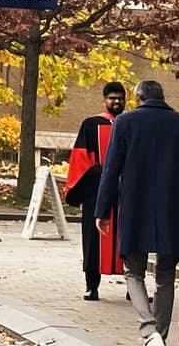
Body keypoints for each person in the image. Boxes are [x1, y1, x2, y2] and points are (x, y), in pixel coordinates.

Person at [95, 80, 179, 346]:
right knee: (166, 276)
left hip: (136, 207)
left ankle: (149, 331)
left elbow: (111, 170)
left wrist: (102, 210)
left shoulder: (125, 123)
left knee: (133, 271)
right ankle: (161, 335)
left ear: (138, 98)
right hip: (172, 208)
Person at [64, 81, 127, 301]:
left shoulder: (131, 123)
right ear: (104, 99)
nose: (116, 101)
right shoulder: (91, 125)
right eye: (112, 98)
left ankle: (133, 287)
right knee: (93, 239)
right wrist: (102, 174)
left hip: (127, 193)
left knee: (129, 237)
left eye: (120, 97)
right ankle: (92, 286)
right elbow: (81, 159)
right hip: (96, 191)